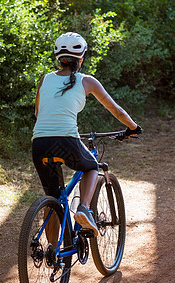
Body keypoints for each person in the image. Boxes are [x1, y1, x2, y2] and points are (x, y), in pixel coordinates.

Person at [32, 32, 142, 236]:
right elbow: (116, 110)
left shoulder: (44, 79)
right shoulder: (87, 81)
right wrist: (133, 127)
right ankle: (83, 209)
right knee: (91, 166)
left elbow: (38, 114)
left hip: (39, 144)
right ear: (80, 59)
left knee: (53, 198)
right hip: (66, 141)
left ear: (59, 58)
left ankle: (53, 256)